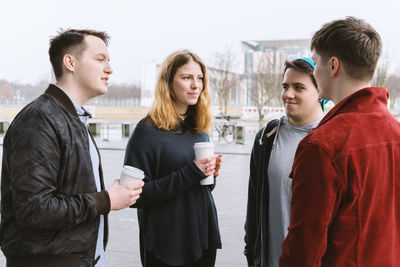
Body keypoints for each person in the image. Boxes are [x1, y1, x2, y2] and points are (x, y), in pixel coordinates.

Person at [0, 29, 144, 267]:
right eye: (100, 59)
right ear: (70, 62)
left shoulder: (72, 118)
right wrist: (106, 199)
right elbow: (34, 209)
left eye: (109, 61)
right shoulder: (39, 119)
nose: (110, 69)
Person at [279, 17, 400, 266]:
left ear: (333, 66)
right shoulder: (396, 132)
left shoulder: (322, 145)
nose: (315, 71)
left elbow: (304, 249)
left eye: (316, 64)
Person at [124, 50, 222, 267]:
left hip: (202, 236)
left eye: (200, 78)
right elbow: (134, 196)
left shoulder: (199, 127)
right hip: (166, 243)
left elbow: (202, 187)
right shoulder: (147, 132)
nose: (196, 85)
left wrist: (210, 172)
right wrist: (191, 172)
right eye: (187, 78)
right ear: (168, 82)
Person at [244, 58, 325, 267]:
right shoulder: (267, 136)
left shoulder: (333, 138)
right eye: (285, 86)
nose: (288, 94)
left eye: (298, 87)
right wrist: (251, 253)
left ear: (320, 93)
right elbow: (254, 201)